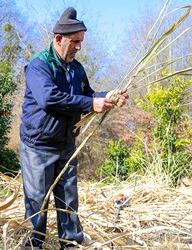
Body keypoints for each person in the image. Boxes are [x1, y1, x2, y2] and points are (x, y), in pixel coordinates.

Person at [19, 7, 128, 249]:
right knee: (37, 202)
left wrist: (108, 97)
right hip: (38, 146)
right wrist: (91, 103)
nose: (79, 47)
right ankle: (33, 245)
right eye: (75, 41)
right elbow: (50, 98)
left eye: (81, 42)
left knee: (68, 201)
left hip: (66, 145)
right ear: (58, 39)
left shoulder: (77, 69)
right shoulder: (39, 66)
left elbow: (87, 95)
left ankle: (70, 245)